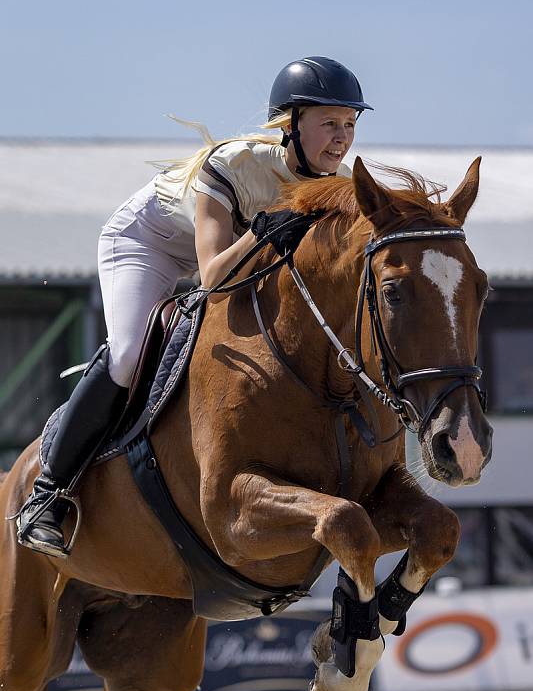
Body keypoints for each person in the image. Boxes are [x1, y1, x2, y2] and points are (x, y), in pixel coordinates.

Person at [16, 56, 373, 558]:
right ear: (289, 125)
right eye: (329, 123)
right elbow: (212, 278)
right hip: (148, 244)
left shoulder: (334, 186)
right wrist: (264, 229)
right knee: (128, 355)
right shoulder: (235, 164)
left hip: (230, 255)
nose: (342, 137)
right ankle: (47, 494)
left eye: (350, 125)